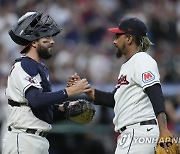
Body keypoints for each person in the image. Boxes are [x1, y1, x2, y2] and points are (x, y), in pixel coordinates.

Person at [68, 17, 174, 154]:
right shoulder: (128, 65)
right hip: (134, 134)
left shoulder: (142, 59)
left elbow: (155, 92)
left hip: (138, 133)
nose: (114, 41)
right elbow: (116, 100)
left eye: (118, 36)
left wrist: (164, 129)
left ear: (129, 39)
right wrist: (86, 90)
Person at [3, 12, 91, 154]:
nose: (52, 41)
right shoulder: (22, 67)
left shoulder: (40, 68)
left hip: (37, 141)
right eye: (47, 37)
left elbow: (40, 109)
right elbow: (36, 100)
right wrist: (69, 92)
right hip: (23, 140)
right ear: (33, 42)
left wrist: (63, 108)